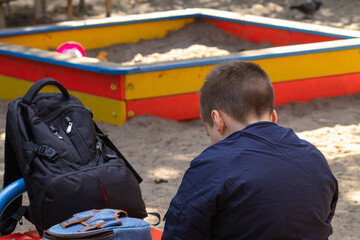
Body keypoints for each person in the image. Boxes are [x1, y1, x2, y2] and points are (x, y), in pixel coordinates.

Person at [162, 60, 338, 240]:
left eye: (209, 134)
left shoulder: (212, 165)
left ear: (217, 120)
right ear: (273, 117)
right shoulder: (314, 158)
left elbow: (178, 233)